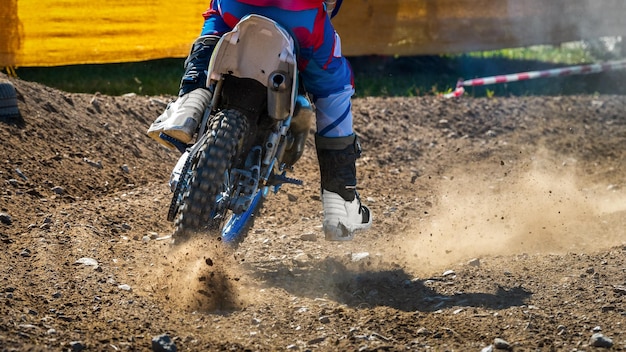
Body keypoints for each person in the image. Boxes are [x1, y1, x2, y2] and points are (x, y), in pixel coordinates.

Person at [147, 0, 372, 241]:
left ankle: (189, 106)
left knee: (213, 34)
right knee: (334, 88)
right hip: (301, 18)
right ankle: (339, 202)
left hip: (235, 7)